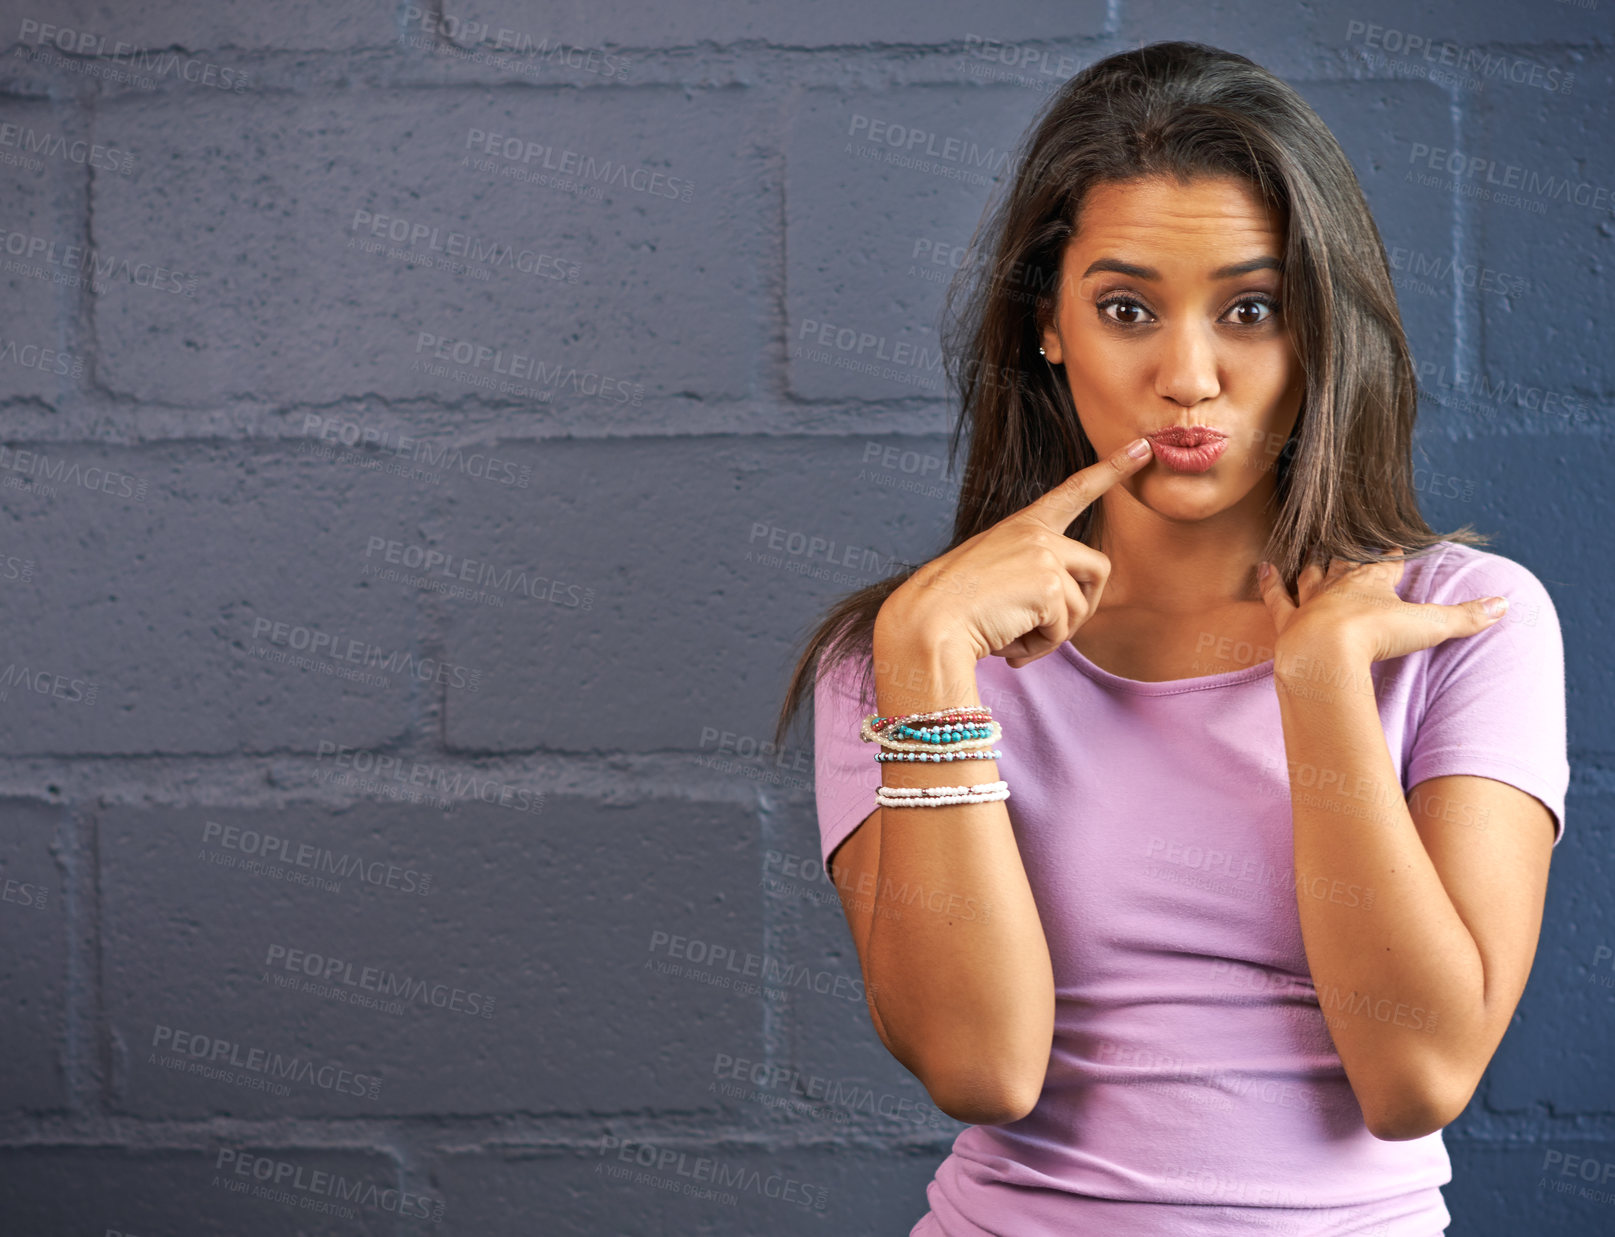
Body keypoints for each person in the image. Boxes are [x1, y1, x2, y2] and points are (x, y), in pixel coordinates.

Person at [771, 40, 1569, 1237]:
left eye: (1250, 310)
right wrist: (928, 662)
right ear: (1049, 327)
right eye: (1126, 308)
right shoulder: (908, 652)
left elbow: (1416, 1081)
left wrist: (1318, 679)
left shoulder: (1461, 625)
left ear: (1316, 336)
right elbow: (980, 1069)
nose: (1187, 376)